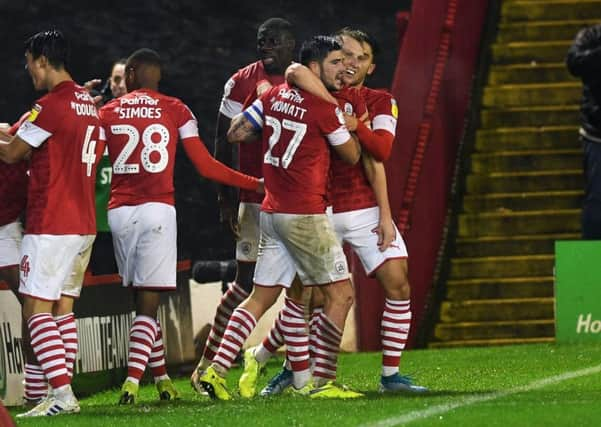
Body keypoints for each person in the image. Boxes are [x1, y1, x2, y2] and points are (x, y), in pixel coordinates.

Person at [246, 28, 427, 396]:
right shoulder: (314, 91)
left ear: (371, 67)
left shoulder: (378, 101)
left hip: (363, 209)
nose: (351, 63)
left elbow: (380, 155)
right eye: (345, 55)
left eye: (360, 58)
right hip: (318, 208)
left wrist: (386, 215)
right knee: (304, 296)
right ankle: (289, 368)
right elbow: (295, 70)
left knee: (399, 281)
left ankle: (391, 375)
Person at [196, 35, 363, 401]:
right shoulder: (325, 108)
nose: (341, 69)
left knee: (260, 296)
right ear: (314, 67)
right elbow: (351, 155)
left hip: (271, 210)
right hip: (304, 213)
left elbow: (235, 131)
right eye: (334, 62)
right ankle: (323, 382)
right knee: (341, 294)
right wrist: (347, 124)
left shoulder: (272, 96)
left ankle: (216, 369)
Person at [99, 48, 263, 405]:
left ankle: (160, 380)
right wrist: (253, 182)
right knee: (148, 301)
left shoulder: (107, 112)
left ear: (128, 76)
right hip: (157, 210)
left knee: (140, 298)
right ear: (158, 76)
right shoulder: (176, 108)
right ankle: (131, 382)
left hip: (119, 212)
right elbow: (205, 165)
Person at [0, 29, 105, 417]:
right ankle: (58, 391)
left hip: (52, 221)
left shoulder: (52, 105)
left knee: (35, 309)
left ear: (42, 60)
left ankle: (61, 395)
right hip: (84, 223)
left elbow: (12, 153)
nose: (29, 72)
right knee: (62, 309)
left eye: (29, 64)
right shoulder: (86, 103)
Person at [190, 17, 296, 385]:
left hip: (303, 199)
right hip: (256, 197)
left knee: (312, 289)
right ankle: (208, 364)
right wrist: (226, 198)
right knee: (245, 283)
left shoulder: (306, 79)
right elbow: (222, 139)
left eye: (273, 40)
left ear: (290, 44)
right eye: (260, 40)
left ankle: (279, 362)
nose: (265, 46)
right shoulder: (241, 81)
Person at [0, 114, 49, 405]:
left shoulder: (23, 136)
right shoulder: (14, 137)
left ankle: (34, 389)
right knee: (33, 301)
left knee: (32, 303)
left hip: (7, 230)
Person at [89, 58, 127, 275]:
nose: (120, 85)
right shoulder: (95, 118)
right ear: (109, 83)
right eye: (116, 79)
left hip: (130, 220)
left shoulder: (143, 120)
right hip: (100, 223)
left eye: (124, 79)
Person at [566, 25, 601, 239]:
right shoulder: (591, 37)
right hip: (596, 135)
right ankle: (586, 271)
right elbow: (573, 62)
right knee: (596, 205)